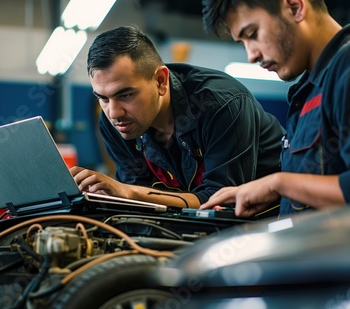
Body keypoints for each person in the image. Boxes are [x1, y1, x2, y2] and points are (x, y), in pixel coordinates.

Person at [200, 0, 350, 217]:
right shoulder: (309, 89)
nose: (251, 55)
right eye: (242, 42)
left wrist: (278, 184)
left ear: (295, 7)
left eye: (253, 34)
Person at [70, 25, 285, 209]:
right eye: (103, 98)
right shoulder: (115, 124)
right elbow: (140, 201)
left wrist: (129, 193)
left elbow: (223, 201)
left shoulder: (220, 105)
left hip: (281, 218)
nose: (114, 112)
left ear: (161, 81)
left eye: (125, 95)